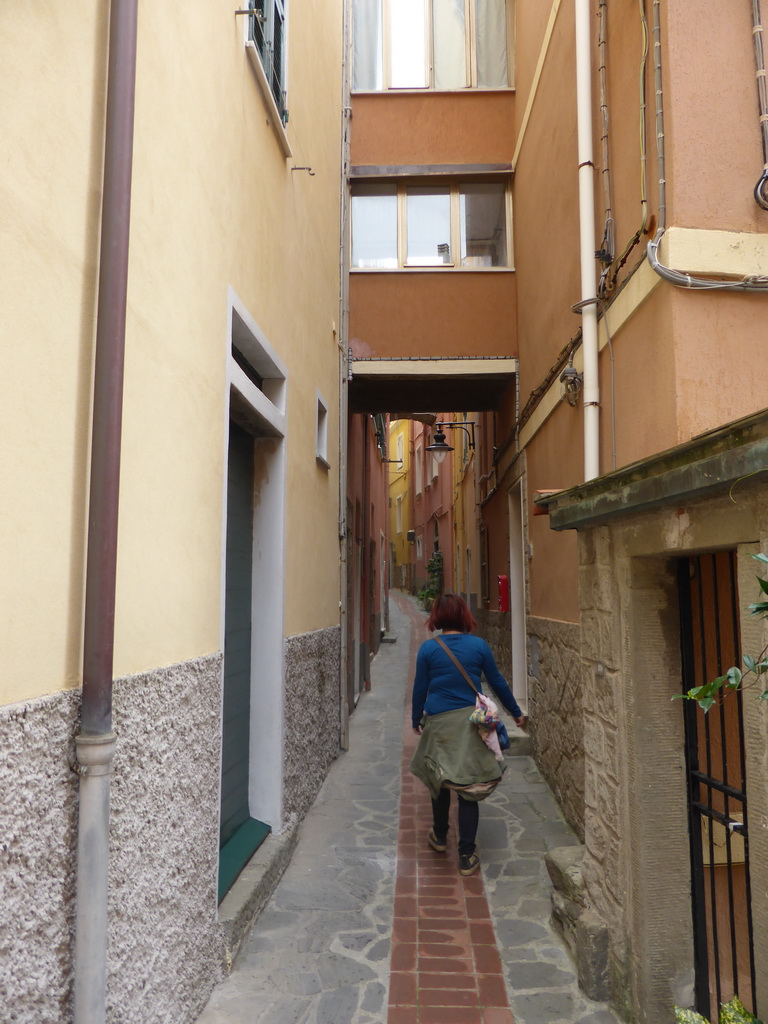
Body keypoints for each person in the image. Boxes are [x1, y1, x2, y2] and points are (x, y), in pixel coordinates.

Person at [409, 592, 526, 877]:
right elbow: (497, 681)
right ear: (464, 615)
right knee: (469, 788)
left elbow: (420, 688)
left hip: (439, 722)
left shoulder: (429, 650)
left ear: (437, 616)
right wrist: (515, 711)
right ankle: (466, 854)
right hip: (471, 723)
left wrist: (416, 719)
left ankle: (439, 836)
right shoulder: (479, 646)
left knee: (440, 778)